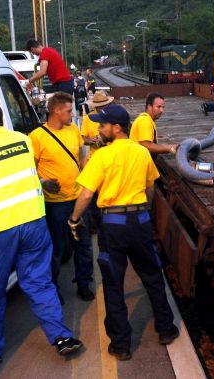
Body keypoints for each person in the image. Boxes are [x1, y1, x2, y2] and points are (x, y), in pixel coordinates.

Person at [0, 100, 83, 364]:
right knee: (39, 282)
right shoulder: (23, 141)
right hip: (34, 222)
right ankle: (62, 337)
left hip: (1, 229)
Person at [68, 104, 179, 361]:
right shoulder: (141, 153)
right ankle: (165, 329)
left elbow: (86, 194)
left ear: (116, 128)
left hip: (113, 224)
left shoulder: (102, 156)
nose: (98, 129)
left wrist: (74, 219)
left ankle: (121, 345)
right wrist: (144, 213)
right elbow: (150, 188)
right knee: (152, 275)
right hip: (139, 220)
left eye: (102, 125)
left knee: (113, 283)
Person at [29, 92, 95, 303]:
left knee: (83, 245)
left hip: (78, 200)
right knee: (56, 248)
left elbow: (81, 157)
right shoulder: (36, 137)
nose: (72, 114)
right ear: (56, 111)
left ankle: (83, 284)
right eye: (68, 111)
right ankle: (54, 288)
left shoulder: (73, 129)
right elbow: (30, 168)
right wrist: (42, 181)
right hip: (55, 204)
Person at [129, 93, 179, 157]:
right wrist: (170, 148)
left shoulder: (148, 120)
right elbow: (147, 145)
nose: (161, 110)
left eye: (163, 107)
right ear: (149, 107)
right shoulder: (144, 121)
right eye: (158, 107)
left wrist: (171, 147)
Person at [82, 90, 115, 159]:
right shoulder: (87, 118)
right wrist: (91, 141)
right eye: (99, 106)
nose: (102, 108)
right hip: (95, 158)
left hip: (112, 157)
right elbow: (83, 139)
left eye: (104, 106)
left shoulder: (114, 116)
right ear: (95, 106)